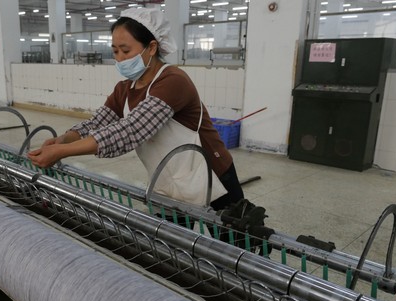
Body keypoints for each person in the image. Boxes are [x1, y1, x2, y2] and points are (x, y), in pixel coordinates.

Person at [28, 7, 244, 211]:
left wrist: (62, 152)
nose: (120, 59)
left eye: (126, 50)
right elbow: (97, 124)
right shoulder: (124, 89)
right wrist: (64, 140)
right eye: (115, 51)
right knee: (171, 246)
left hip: (210, 174)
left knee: (228, 246)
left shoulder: (173, 81)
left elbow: (131, 131)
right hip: (165, 178)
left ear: (151, 47)